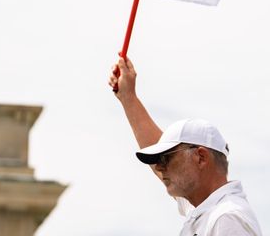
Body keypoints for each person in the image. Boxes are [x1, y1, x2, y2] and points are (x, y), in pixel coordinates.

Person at [108, 57, 262, 236]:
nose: (159, 166)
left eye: (166, 158)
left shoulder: (227, 218)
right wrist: (128, 98)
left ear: (201, 157)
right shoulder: (210, 209)